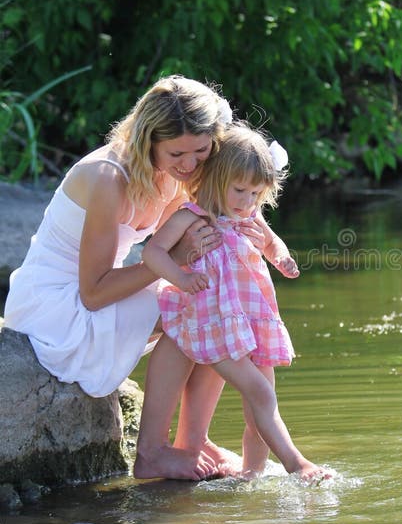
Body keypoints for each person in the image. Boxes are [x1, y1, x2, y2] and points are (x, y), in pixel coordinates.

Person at [4, 74, 260, 480]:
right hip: (59, 303)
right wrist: (171, 259)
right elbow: (93, 292)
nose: (190, 164)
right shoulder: (108, 177)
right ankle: (152, 452)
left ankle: (195, 441)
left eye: (201, 150)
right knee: (193, 311)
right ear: (148, 141)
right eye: (177, 153)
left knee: (217, 304)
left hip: (102, 288)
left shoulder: (175, 173)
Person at [141, 122, 327, 481]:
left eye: (256, 194)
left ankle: (251, 478)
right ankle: (296, 464)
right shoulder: (191, 216)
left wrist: (282, 258)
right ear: (215, 179)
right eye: (240, 190)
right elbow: (153, 253)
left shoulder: (251, 217)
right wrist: (181, 277)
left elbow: (273, 244)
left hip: (251, 321)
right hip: (211, 321)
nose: (248, 202)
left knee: (260, 402)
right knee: (259, 391)